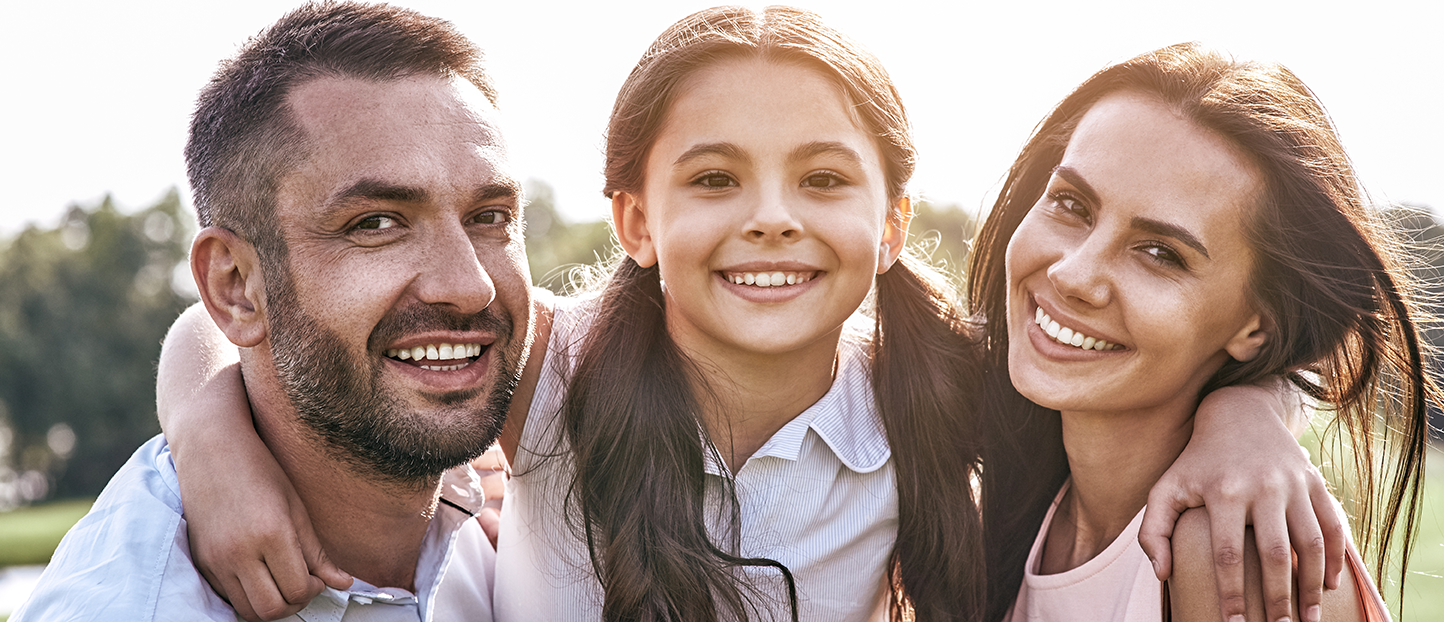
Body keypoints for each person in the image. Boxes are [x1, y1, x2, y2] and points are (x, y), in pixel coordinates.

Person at [155, 8, 1343, 622]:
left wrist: (1254, 410)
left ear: (890, 224)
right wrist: (210, 432)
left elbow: (1162, 349)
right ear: (633, 220)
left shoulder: (935, 392)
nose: (771, 219)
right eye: (714, 179)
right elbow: (238, 320)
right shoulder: (548, 369)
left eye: (824, 180)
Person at [11, 4, 530, 621]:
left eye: (490, 217)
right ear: (235, 287)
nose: (470, 287)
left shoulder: (532, 483)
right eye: (377, 224)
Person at [966, 43, 1432, 621]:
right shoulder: (1000, 485)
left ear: (1256, 328)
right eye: (1071, 203)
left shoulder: (1232, 552)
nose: (1073, 274)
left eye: (1160, 252)